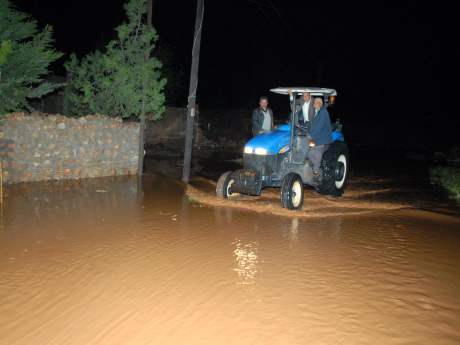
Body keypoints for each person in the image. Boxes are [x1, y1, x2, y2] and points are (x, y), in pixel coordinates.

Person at [307, 97, 333, 179]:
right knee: (306, 151)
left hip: (322, 139)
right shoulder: (318, 112)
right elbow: (314, 125)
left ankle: (316, 171)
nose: (313, 104)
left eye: (314, 102)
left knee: (315, 151)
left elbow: (319, 127)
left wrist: (311, 135)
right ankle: (315, 166)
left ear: (319, 103)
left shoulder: (323, 112)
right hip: (317, 137)